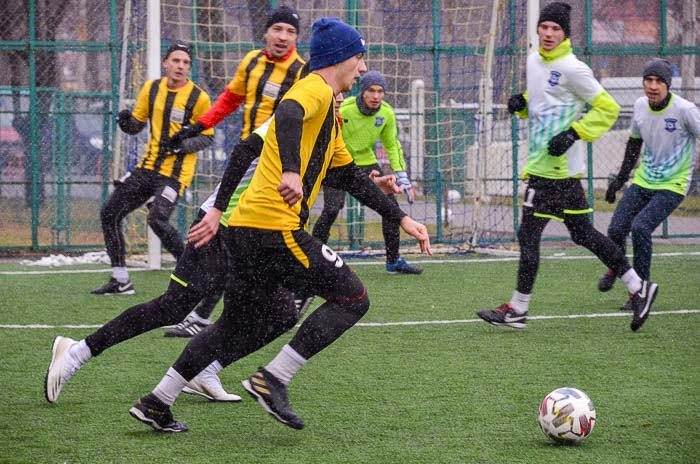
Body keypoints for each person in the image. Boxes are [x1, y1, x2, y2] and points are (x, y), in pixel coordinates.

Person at [128, 17, 432, 433]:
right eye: (359, 60)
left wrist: (402, 218)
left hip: (246, 230)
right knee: (353, 298)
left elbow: (349, 177)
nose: (362, 71)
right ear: (340, 59)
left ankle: (157, 401)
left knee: (251, 319)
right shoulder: (315, 90)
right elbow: (287, 113)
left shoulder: (331, 115)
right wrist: (290, 171)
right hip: (274, 229)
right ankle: (273, 378)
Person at [475, 2, 658, 333]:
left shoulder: (574, 68)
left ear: (565, 34)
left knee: (559, 235)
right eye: (543, 27)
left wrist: (574, 133)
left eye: (555, 29)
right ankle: (634, 287)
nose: (547, 33)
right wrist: (522, 105)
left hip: (558, 174)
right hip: (541, 170)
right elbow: (545, 103)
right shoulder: (533, 61)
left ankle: (635, 287)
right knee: (557, 235)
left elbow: (608, 108)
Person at [163, 5, 305, 336]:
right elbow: (229, 99)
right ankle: (202, 313)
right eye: (278, 29)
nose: (283, 37)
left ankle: (189, 305)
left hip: (273, 165)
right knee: (232, 235)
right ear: (266, 32)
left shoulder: (301, 72)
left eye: (290, 32)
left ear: (297, 38)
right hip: (246, 159)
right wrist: (198, 126)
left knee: (217, 223)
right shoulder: (253, 62)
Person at [91, 42, 213, 295]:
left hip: (174, 174)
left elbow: (207, 137)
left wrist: (182, 145)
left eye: (185, 62)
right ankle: (120, 280)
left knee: (157, 219)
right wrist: (125, 123)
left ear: (189, 67)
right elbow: (137, 124)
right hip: (146, 168)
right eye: (176, 61)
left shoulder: (199, 98)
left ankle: (190, 274)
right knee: (109, 214)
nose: (180, 66)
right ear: (165, 63)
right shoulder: (152, 88)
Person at [598, 58, 700, 310]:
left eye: (659, 81)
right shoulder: (641, 105)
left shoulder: (685, 110)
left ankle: (640, 292)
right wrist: (619, 180)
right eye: (649, 80)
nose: (653, 86)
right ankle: (617, 267)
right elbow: (634, 144)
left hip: (673, 185)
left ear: (668, 85)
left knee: (641, 228)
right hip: (644, 180)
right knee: (616, 230)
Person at [312, 71, 422, 274]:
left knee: (390, 207)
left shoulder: (386, 113)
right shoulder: (343, 108)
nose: (376, 96)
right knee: (331, 209)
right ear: (362, 91)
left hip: (366, 162)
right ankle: (312, 260)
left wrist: (402, 175)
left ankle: (393, 260)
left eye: (380, 91)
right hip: (338, 162)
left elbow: (392, 144)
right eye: (371, 90)